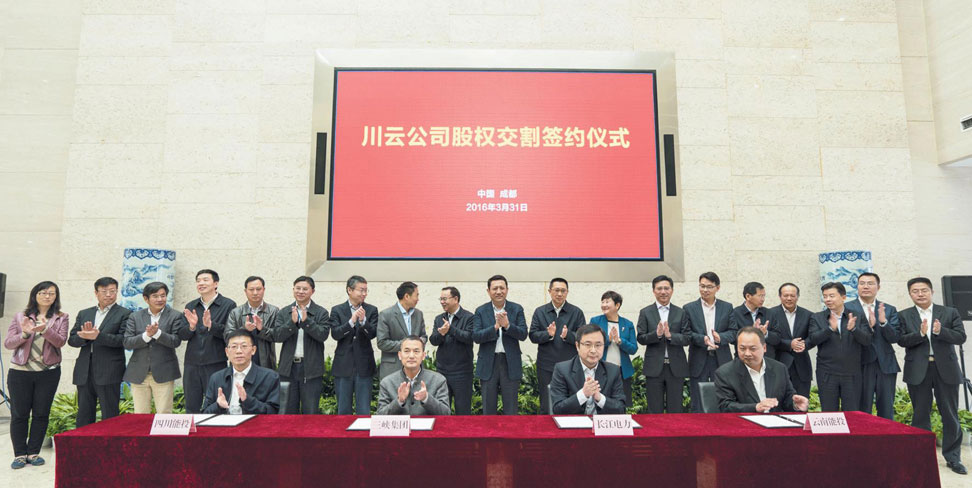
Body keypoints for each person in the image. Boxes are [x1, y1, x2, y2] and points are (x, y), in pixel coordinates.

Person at [898, 277, 967, 475]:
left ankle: (953, 458)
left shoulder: (949, 312)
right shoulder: (904, 315)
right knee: (920, 414)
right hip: (918, 370)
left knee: (950, 414)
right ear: (910, 294)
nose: (920, 294)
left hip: (946, 369)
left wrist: (941, 331)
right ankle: (921, 457)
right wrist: (920, 334)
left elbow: (961, 337)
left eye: (924, 290)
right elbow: (901, 340)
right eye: (915, 291)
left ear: (931, 291)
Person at [5, 281, 69, 470]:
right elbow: (8, 343)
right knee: (19, 414)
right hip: (20, 372)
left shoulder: (61, 317)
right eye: (43, 292)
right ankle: (19, 454)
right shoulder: (20, 316)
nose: (47, 296)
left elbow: (60, 342)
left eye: (51, 293)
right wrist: (24, 334)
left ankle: (33, 452)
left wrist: (45, 330)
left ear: (56, 296)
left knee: (41, 413)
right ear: (35, 295)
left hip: (48, 373)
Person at [68, 277, 132, 428]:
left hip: (109, 370)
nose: (108, 295)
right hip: (84, 370)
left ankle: (109, 442)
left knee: (110, 414)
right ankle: (83, 442)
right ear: (96, 293)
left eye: (112, 291)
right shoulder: (84, 313)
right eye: (104, 291)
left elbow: (123, 340)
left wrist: (98, 336)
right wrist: (84, 337)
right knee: (84, 413)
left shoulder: (125, 313)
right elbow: (72, 340)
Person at [178, 269, 237, 413]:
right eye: (198, 281)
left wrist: (211, 325)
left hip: (215, 362)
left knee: (217, 404)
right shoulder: (191, 306)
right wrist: (191, 327)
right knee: (191, 405)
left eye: (205, 280)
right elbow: (182, 334)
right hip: (192, 363)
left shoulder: (228, 305)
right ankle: (193, 428)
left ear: (215, 283)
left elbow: (230, 334)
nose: (201, 283)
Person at [808, 282, 872, 412]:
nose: (828, 299)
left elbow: (867, 340)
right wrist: (829, 329)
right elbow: (813, 339)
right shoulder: (817, 317)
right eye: (825, 296)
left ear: (843, 297)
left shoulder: (857, 316)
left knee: (852, 413)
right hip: (827, 372)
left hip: (851, 372)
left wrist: (854, 329)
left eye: (831, 296)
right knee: (829, 412)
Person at [713, 327, 808, 413]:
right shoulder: (725, 373)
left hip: (774, 423)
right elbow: (725, 406)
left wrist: (796, 405)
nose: (747, 353)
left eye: (752, 349)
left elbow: (787, 400)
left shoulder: (779, 368)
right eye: (742, 348)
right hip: (743, 423)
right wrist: (755, 407)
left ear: (764, 348)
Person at [844, 272, 900, 419]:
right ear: (857, 286)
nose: (866, 286)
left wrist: (883, 323)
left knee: (886, 409)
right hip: (859, 364)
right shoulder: (846, 308)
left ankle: (887, 434)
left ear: (878, 287)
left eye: (870, 283)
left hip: (885, 364)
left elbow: (895, 337)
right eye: (862, 283)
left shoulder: (889, 309)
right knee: (862, 409)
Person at [122, 282, 184, 415]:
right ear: (146, 299)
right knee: (141, 415)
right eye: (155, 296)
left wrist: (157, 333)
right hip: (139, 373)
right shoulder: (135, 316)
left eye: (163, 295)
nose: (160, 299)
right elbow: (127, 342)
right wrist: (147, 335)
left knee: (164, 414)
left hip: (164, 372)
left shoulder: (175, 315)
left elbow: (175, 341)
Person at [272, 276, 330, 414]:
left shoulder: (321, 312)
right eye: (298, 288)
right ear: (293, 290)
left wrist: (306, 322)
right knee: (288, 411)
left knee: (310, 411)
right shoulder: (284, 312)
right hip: (288, 368)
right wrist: (292, 323)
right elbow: (277, 336)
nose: (301, 292)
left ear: (312, 291)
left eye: (305, 289)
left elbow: (323, 335)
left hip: (311, 369)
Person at [529, 278, 586, 415]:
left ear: (567, 292)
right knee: (546, 402)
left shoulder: (576, 312)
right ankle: (546, 427)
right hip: (546, 365)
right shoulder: (540, 311)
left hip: (571, 366)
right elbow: (532, 335)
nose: (559, 294)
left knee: (572, 401)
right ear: (549, 291)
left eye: (563, 291)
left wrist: (568, 336)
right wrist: (548, 334)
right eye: (556, 290)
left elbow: (583, 338)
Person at [472, 275, 528, 415]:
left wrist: (507, 325)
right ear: (488, 291)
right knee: (488, 408)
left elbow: (523, 334)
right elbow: (476, 336)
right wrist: (495, 327)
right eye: (495, 288)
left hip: (510, 363)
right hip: (488, 363)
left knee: (511, 408)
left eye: (502, 288)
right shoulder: (480, 311)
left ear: (507, 290)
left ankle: (511, 430)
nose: (498, 291)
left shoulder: (517, 309)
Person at [636, 275, 690, 413]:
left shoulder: (681, 312)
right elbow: (641, 338)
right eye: (659, 288)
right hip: (654, 367)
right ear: (653, 291)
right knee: (654, 409)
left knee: (675, 409)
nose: (663, 292)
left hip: (675, 367)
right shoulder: (645, 312)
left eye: (666, 288)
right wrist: (657, 335)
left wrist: (671, 336)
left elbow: (687, 338)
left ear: (672, 290)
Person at [684, 271, 734, 412]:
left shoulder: (727, 307)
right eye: (702, 286)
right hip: (699, 357)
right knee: (698, 399)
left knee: (723, 396)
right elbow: (686, 333)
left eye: (709, 287)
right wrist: (703, 339)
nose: (705, 290)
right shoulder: (689, 308)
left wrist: (721, 338)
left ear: (718, 288)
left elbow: (734, 332)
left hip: (721, 358)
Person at [328, 275, 379, 415]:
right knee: (343, 410)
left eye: (366, 290)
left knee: (364, 409)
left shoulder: (372, 310)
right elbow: (335, 334)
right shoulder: (337, 310)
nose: (364, 294)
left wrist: (363, 322)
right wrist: (351, 322)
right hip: (343, 365)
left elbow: (373, 333)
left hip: (364, 365)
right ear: (349, 290)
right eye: (361, 290)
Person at [549, 324, 627, 414]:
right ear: (577, 346)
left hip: (601, 422)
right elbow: (558, 409)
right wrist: (583, 394)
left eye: (598, 345)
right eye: (588, 345)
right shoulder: (562, 370)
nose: (593, 350)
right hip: (574, 422)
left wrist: (600, 398)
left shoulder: (613, 370)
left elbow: (621, 409)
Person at [201, 329, 281, 414]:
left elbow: (273, 412)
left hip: (254, 422)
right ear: (227, 352)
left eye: (244, 346)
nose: (238, 351)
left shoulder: (269, 377)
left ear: (253, 350)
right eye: (234, 347)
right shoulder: (216, 378)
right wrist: (218, 406)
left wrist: (247, 401)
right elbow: (205, 413)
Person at [429, 286, 475, 414]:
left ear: (455, 299)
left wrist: (451, 329)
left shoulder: (469, 317)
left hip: (462, 372)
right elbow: (433, 340)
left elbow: (469, 337)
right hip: (442, 371)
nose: (442, 302)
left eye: (445, 299)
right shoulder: (439, 318)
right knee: (442, 410)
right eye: (440, 299)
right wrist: (441, 334)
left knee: (463, 411)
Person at [376, 336, 450, 415]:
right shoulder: (387, 382)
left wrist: (426, 398)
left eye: (416, 351)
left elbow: (446, 414)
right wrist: (399, 401)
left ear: (423, 355)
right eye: (407, 351)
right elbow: (380, 415)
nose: (411, 356)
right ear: (400, 355)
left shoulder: (438, 380)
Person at [765, 283, 813, 397]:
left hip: (801, 366)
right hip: (778, 363)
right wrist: (789, 344)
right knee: (778, 401)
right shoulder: (770, 314)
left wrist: (803, 344)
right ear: (780, 296)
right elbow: (770, 337)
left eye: (792, 295)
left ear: (798, 296)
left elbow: (812, 337)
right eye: (786, 295)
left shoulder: (808, 314)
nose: (789, 298)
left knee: (801, 401)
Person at [590, 291, 637, 406]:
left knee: (622, 403)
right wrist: (608, 339)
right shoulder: (595, 321)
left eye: (607, 302)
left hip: (622, 371)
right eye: (602, 302)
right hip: (601, 369)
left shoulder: (628, 324)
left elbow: (633, 349)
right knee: (600, 402)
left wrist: (620, 341)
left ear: (617, 305)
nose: (604, 305)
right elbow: (592, 343)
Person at [224, 276, 279, 370]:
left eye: (258, 289)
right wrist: (244, 329)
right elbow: (227, 336)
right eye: (251, 289)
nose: (255, 293)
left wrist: (261, 330)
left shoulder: (274, 311)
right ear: (245, 291)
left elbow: (278, 336)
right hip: (240, 360)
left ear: (264, 290)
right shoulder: (235, 312)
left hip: (265, 361)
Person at [377, 282, 426, 380]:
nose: (418, 299)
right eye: (416, 295)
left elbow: (424, 336)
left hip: (416, 369)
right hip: (393, 369)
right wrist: (406, 345)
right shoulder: (386, 315)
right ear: (407, 296)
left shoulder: (418, 314)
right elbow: (382, 343)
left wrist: (419, 343)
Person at [729, 282, 772, 358]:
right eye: (760, 296)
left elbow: (777, 338)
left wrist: (765, 333)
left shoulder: (769, 313)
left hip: (766, 358)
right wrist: (751, 332)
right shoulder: (735, 313)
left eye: (764, 296)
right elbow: (732, 338)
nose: (763, 299)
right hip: (744, 358)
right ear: (748, 296)